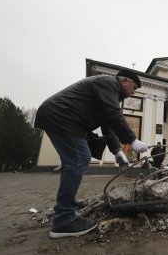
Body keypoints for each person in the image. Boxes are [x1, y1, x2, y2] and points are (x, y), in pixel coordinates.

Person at [34, 69, 149, 239]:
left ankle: (68, 205)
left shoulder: (109, 93)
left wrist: (117, 151)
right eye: (133, 87)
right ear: (124, 80)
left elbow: (108, 125)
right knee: (79, 157)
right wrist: (132, 140)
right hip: (61, 116)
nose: (133, 92)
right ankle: (63, 221)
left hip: (63, 118)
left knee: (76, 159)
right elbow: (113, 114)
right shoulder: (107, 82)